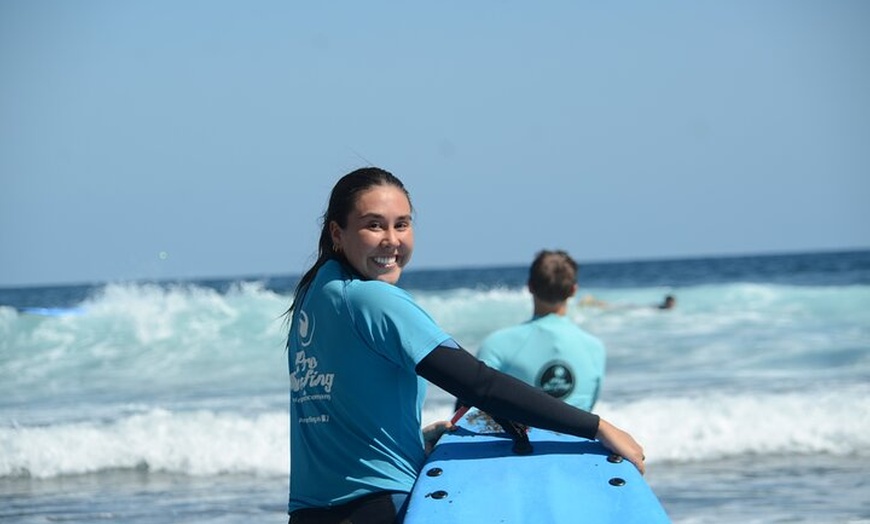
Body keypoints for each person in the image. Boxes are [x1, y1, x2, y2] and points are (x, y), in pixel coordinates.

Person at [284, 167, 645, 524]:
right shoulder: (373, 299)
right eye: (374, 225)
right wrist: (597, 427)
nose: (391, 240)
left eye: (402, 224)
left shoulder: (313, 298)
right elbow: (479, 384)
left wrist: (411, 438)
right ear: (337, 232)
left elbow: (340, 410)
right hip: (378, 509)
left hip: (307, 513)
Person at [471, 250, 606, 412]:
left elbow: (469, 412)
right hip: (577, 437)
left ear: (530, 286)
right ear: (573, 290)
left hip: (519, 437)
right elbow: (588, 412)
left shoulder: (496, 344)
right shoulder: (595, 349)